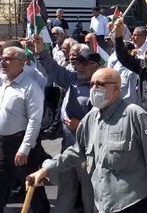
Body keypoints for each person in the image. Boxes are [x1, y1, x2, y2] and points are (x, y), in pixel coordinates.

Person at [27, 68, 147, 213]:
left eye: (100, 84)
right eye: (92, 84)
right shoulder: (91, 118)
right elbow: (77, 152)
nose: (94, 89)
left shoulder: (135, 115)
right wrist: (46, 169)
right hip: (102, 203)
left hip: (131, 202)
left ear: (116, 88)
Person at [0, 47, 50, 213]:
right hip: (0, 143)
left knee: (31, 186)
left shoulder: (30, 87)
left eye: (7, 59)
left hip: (20, 143)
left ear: (20, 63)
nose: (2, 62)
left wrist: (25, 148)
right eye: (2, 58)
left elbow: (34, 120)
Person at [31, 36, 98, 213]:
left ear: (95, 65)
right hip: (68, 149)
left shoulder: (100, 88)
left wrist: (80, 125)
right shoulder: (73, 80)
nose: (79, 67)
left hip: (89, 154)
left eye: (84, 63)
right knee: (66, 192)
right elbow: (54, 69)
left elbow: (105, 121)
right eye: (77, 63)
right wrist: (41, 51)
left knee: (90, 196)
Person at [113, 18, 147, 140]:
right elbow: (123, 57)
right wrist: (118, 35)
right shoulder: (143, 67)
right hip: (140, 122)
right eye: (146, 53)